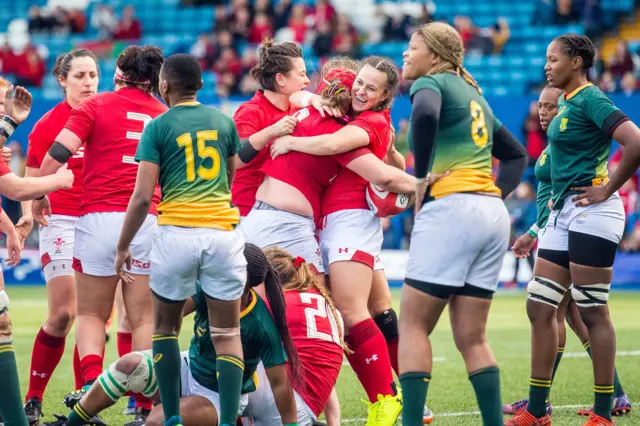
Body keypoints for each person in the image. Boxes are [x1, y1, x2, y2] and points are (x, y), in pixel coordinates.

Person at [506, 34, 640, 426]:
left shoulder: (592, 98)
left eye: (554, 59)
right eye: (546, 59)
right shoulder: (567, 103)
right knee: (540, 305)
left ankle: (603, 411)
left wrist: (607, 189)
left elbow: (634, 141)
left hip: (592, 212)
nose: (547, 66)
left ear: (577, 62)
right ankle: (536, 410)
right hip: (564, 213)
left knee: (591, 311)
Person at [398, 22, 527, 426]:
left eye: (413, 47)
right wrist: (491, 194)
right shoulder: (477, 97)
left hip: (452, 208)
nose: (405, 54)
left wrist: (419, 179)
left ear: (435, 56)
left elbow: (424, 113)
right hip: (490, 213)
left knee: (414, 325)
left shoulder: (430, 82)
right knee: (473, 337)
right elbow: (518, 156)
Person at [270, 56, 407, 426]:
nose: (361, 91)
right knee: (379, 311)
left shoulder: (369, 121)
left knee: (349, 313)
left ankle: (385, 400)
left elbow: (332, 144)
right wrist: (313, 102)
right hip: (343, 219)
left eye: (370, 88)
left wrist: (291, 144)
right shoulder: (365, 119)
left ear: (384, 96)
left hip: (348, 219)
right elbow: (301, 101)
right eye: (358, 83)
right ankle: (406, 398)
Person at [113, 53, 248, 426]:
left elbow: (142, 197)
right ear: (201, 85)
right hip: (222, 233)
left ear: (164, 85)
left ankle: (171, 417)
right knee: (227, 332)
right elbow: (230, 177)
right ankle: (227, 421)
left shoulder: (157, 126)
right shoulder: (224, 122)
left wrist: (123, 245)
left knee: (165, 330)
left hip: (175, 233)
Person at [35, 46, 167, 421]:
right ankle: (142, 407)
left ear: (119, 72)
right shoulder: (163, 114)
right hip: (146, 220)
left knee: (92, 313)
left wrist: (41, 192)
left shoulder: (96, 105)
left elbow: (59, 153)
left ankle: (91, 386)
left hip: (97, 218)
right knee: (142, 319)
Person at [45, 244, 299, 426]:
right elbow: (169, 319)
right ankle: (71, 422)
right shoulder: (207, 290)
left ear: (241, 280)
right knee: (127, 365)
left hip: (217, 397)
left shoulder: (260, 323)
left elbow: (280, 385)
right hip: (187, 368)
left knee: (157, 421)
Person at [241, 68, 415, 277]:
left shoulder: (305, 112)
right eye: (359, 86)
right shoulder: (335, 131)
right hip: (286, 223)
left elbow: (296, 96)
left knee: (244, 298)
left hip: (260, 216)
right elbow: (383, 176)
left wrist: (310, 100)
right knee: (321, 297)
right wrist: (426, 184)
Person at [14, 49, 98, 425]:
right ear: (61, 80)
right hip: (60, 221)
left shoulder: (107, 114)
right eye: (79, 76)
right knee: (64, 313)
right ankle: (33, 399)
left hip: (102, 223)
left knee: (93, 318)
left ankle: (84, 406)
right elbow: (28, 182)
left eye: (93, 75)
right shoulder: (47, 125)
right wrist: (26, 217)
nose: (88, 83)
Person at [0, 83, 74, 426]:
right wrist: (57, 183)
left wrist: (9, 227)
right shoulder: (44, 126)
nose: (4, 111)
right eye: (1, 105)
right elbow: (14, 187)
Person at [242, 247, 347, 426]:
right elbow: (318, 368)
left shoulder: (278, 304)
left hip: (282, 402)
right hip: (305, 410)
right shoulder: (325, 304)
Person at [232, 39, 309, 221]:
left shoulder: (299, 111)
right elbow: (233, 160)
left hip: (284, 214)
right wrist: (271, 132)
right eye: (302, 75)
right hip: (247, 213)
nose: (307, 81)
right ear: (280, 79)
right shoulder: (250, 112)